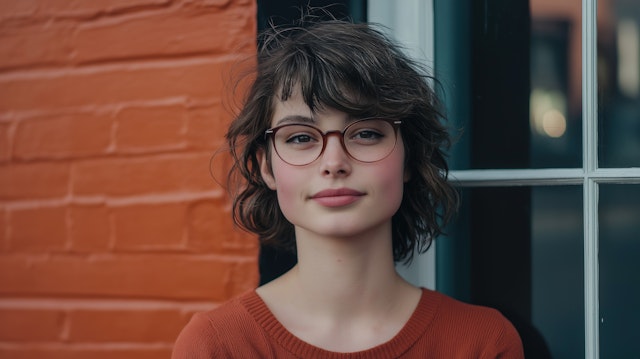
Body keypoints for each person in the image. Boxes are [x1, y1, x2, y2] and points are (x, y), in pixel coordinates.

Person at [172, 15, 525, 358]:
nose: (334, 163)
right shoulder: (217, 346)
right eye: (299, 138)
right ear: (267, 167)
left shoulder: (482, 342)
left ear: (409, 158)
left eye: (367, 133)